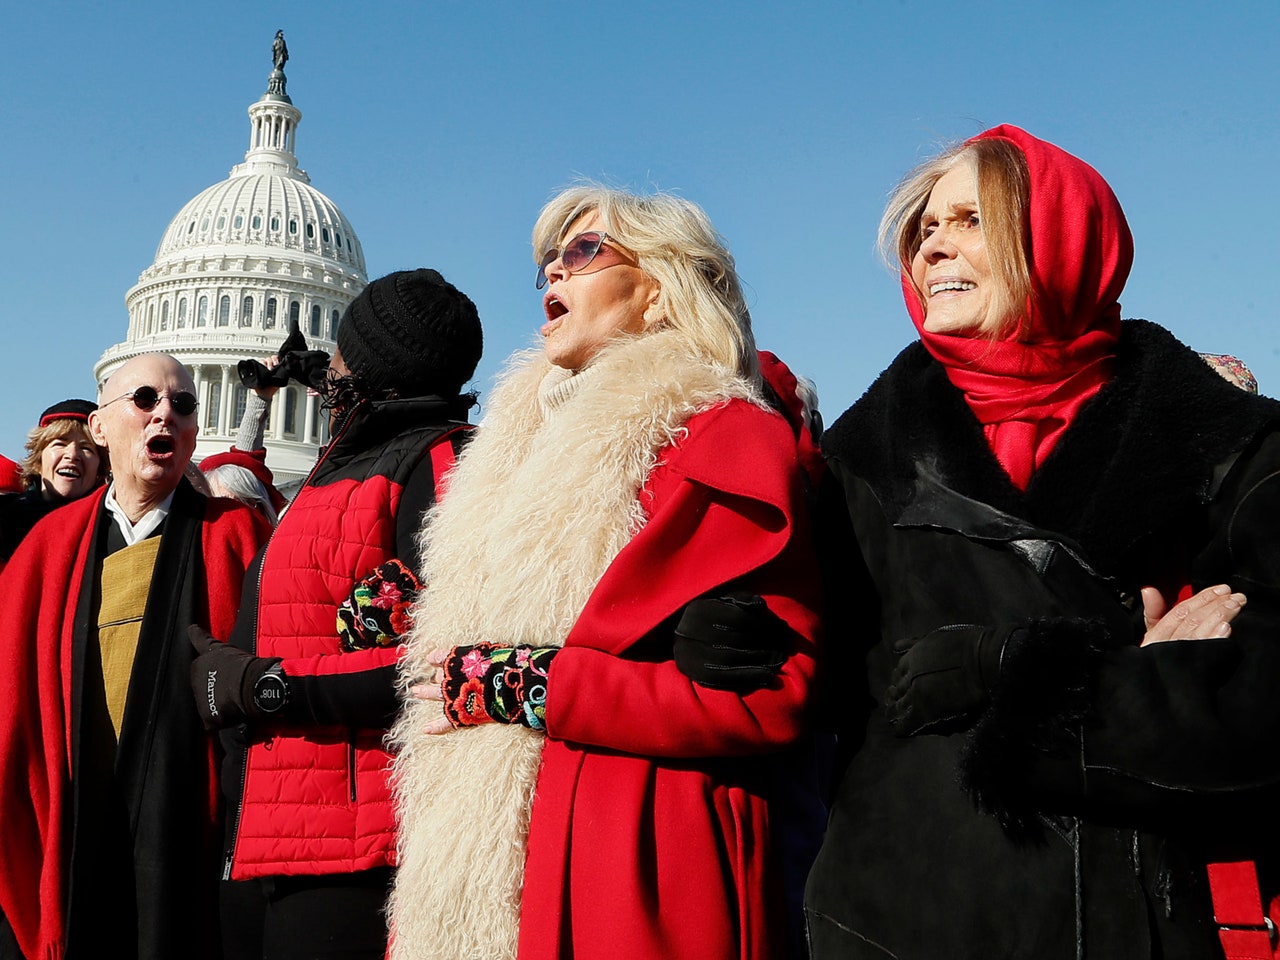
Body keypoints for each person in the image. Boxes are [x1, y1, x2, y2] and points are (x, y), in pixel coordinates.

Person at [805, 124, 1280, 959]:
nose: (932, 249)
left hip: (1150, 921)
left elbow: (1267, 698)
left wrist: (1014, 671)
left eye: (970, 219)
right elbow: (818, 690)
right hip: (899, 924)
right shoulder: (857, 464)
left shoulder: (1231, 445)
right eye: (923, 230)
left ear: (1062, 233)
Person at [388, 187, 821, 960]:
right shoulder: (512, 456)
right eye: (547, 261)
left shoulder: (726, 439)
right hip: (484, 859)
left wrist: (536, 686)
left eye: (584, 251)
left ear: (660, 289)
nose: (554, 268)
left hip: (635, 855)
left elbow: (769, 699)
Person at [188, 268, 482, 960]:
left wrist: (263, 686)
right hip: (270, 820)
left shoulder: (435, 463)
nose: (332, 366)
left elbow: (437, 663)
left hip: (352, 844)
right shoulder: (346, 460)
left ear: (375, 363)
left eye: (344, 352)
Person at [0, 353, 269, 960]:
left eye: (182, 405)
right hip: (76, 800)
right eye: (144, 400)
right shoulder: (48, 545)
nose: (164, 415)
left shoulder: (237, 534)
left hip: (192, 814)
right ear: (101, 428)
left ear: (196, 433)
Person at [0, 399, 107, 568]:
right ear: (38, 461)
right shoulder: (4, 519)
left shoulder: (108, 528)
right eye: (60, 443)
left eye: (86, 448)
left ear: (99, 471)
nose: (72, 455)